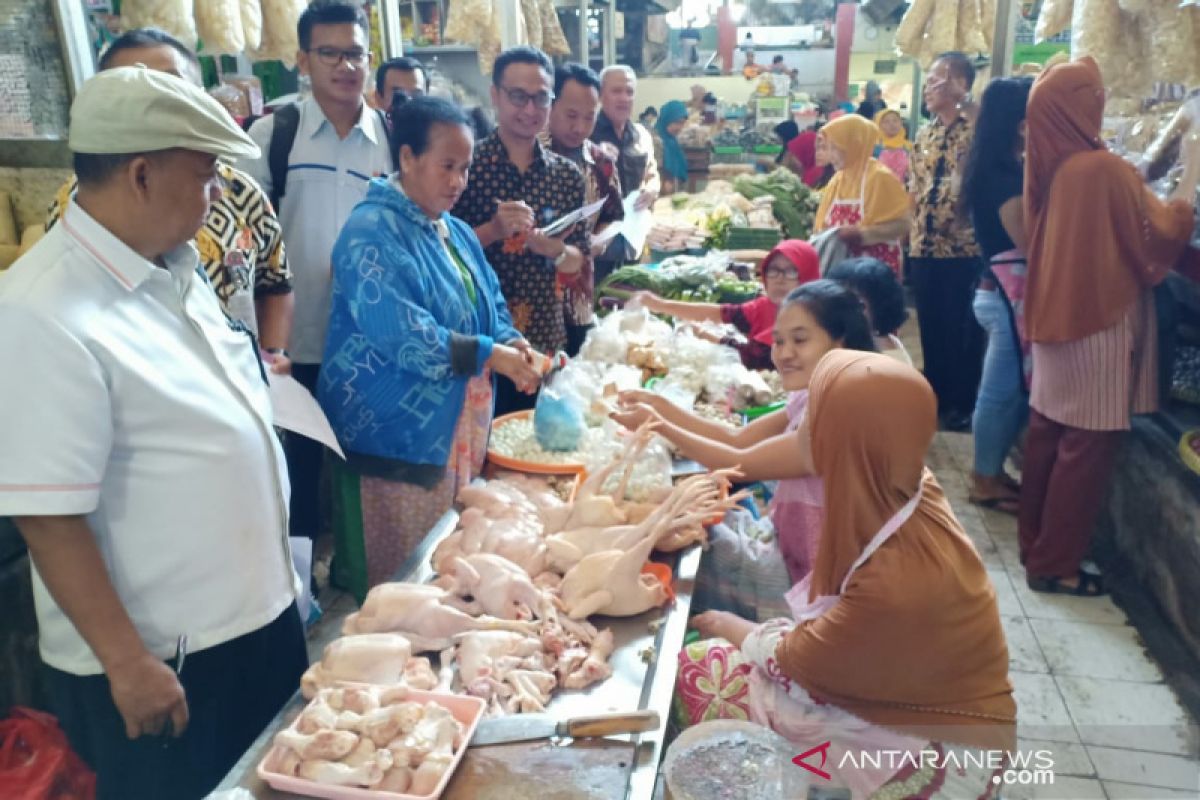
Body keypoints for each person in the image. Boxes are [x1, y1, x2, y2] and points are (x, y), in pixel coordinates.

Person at [0, 66, 306, 800]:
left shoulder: (170, 266)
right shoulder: (44, 311)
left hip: (253, 621)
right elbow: (48, 516)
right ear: (141, 175)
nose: (215, 196)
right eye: (204, 177)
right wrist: (128, 663)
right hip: (169, 662)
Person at [678, 350, 1017, 799]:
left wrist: (734, 627)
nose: (801, 429)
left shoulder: (898, 579)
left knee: (707, 674)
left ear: (848, 442)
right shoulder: (904, 483)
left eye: (816, 422)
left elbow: (803, 664)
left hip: (943, 758)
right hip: (913, 700)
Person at [319, 97, 542, 600]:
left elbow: (491, 305)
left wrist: (516, 345)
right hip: (397, 436)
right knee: (402, 583)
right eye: (446, 166)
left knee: (450, 561)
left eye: (464, 168)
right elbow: (400, 333)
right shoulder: (370, 231)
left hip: (456, 426)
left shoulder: (455, 231)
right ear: (406, 158)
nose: (458, 181)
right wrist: (489, 355)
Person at [1019, 58, 1198, 596]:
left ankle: (1037, 545)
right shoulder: (1099, 169)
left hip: (1056, 321)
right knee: (1087, 449)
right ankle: (1058, 565)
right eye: (1094, 96)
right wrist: (1191, 169)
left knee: (1048, 437)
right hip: (1096, 324)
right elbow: (1160, 231)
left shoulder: (1053, 163)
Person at [45, 28, 294, 363]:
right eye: (129, 88)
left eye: (168, 87)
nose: (151, 104)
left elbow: (275, 283)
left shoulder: (240, 193)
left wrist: (272, 355)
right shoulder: (78, 209)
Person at [241, 0, 393, 544]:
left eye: (355, 54)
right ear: (303, 60)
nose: (345, 66)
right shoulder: (273, 136)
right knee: (300, 468)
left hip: (373, 340)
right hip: (297, 339)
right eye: (330, 53)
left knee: (366, 465)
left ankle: (366, 564)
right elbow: (247, 236)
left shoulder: (392, 139)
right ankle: (303, 581)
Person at [616, 280, 876, 590]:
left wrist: (659, 424)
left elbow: (740, 462)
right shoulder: (814, 394)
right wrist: (659, 405)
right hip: (791, 542)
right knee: (671, 515)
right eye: (778, 342)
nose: (785, 353)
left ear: (840, 344)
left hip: (813, 576)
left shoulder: (836, 415)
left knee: (675, 546)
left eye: (800, 340)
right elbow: (737, 438)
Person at [450, 46, 588, 414]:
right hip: (482, 346)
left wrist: (555, 250)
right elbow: (439, 251)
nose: (530, 110)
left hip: (545, 340)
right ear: (495, 95)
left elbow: (579, 261)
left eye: (541, 98)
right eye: (518, 97)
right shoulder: (466, 167)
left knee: (539, 452)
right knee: (485, 454)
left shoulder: (566, 175)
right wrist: (493, 230)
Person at [959, 76, 1034, 516]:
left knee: (1004, 387)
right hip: (1006, 292)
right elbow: (1026, 240)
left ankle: (992, 472)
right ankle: (985, 478)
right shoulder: (1003, 175)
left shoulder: (998, 165)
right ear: (1021, 123)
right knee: (1000, 390)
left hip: (1000, 290)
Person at [908, 51, 984, 432]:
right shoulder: (926, 133)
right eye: (930, 77)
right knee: (931, 326)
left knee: (961, 328)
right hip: (924, 246)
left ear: (961, 84)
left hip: (963, 248)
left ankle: (962, 402)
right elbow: (916, 187)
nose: (929, 86)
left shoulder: (977, 130)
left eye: (939, 78)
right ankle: (934, 396)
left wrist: (966, 100)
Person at [633, 240, 821, 369]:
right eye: (774, 271)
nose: (780, 279)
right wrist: (659, 304)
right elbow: (721, 313)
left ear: (808, 275)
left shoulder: (812, 322)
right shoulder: (766, 306)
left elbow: (751, 357)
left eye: (790, 272)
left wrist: (703, 334)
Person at [546, 62, 625, 356]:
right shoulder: (528, 154)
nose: (579, 127)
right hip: (530, 303)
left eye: (589, 117)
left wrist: (596, 242)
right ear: (551, 105)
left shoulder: (601, 163)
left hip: (580, 298)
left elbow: (615, 218)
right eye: (570, 115)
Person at [812, 114, 911, 276]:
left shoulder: (879, 177)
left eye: (835, 148)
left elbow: (902, 224)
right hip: (842, 268)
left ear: (854, 145)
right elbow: (820, 225)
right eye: (829, 148)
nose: (831, 155)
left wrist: (862, 235)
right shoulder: (837, 179)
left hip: (876, 270)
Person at [592, 65, 661, 277]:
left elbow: (652, 173)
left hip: (633, 236)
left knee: (628, 295)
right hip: (598, 239)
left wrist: (651, 190)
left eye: (629, 92)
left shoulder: (641, 135)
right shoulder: (588, 133)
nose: (624, 98)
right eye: (616, 91)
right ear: (601, 95)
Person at [826, 256, 912, 365]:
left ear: (882, 308)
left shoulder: (885, 360)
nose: (844, 310)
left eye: (859, 305)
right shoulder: (852, 343)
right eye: (839, 301)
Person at [654, 100, 690, 194]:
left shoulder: (672, 141)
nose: (680, 127)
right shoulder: (656, 141)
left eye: (682, 123)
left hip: (675, 196)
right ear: (667, 119)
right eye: (677, 122)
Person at [873, 107, 911, 183]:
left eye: (895, 120)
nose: (892, 124)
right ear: (878, 125)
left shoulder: (909, 147)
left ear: (901, 123)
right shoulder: (873, 148)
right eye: (886, 122)